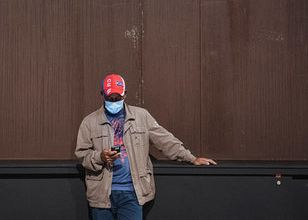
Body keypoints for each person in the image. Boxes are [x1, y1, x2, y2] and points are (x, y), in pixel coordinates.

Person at [75, 74, 217, 220]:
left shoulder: (141, 116)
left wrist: (191, 158)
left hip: (133, 193)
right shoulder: (89, 122)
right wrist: (99, 157)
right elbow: (82, 154)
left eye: (118, 97)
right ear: (102, 94)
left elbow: (165, 140)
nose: (114, 101)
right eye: (110, 98)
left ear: (125, 94)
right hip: (101, 194)